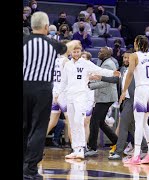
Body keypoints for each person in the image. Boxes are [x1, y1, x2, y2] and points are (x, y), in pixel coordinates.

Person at [23, 11, 68, 179]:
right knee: (38, 130)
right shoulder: (53, 45)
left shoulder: (24, 42)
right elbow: (65, 48)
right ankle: (30, 170)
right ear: (46, 27)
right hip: (42, 91)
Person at [56, 44, 120, 159]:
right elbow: (63, 82)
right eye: (74, 52)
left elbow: (99, 70)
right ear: (70, 52)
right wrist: (57, 93)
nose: (76, 53)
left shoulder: (85, 63)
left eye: (78, 51)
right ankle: (75, 149)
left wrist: (112, 73)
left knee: (79, 121)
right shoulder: (67, 65)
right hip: (69, 96)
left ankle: (81, 148)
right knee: (72, 122)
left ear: (80, 52)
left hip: (81, 96)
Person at [120, 35, 149, 164]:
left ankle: (136, 156)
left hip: (142, 90)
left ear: (137, 43)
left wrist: (124, 91)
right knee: (144, 123)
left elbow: (129, 74)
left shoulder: (134, 56)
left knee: (139, 123)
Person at [107, 49, 149, 160]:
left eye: (128, 57)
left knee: (123, 126)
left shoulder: (136, 70)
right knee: (132, 127)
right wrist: (100, 77)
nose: (126, 59)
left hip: (133, 101)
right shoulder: (122, 69)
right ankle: (145, 147)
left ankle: (118, 151)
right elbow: (114, 79)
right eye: (124, 57)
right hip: (126, 101)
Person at [85, 47, 119, 156]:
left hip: (106, 97)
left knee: (94, 121)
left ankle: (92, 148)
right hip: (105, 97)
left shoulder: (108, 64)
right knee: (100, 122)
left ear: (107, 54)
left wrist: (90, 85)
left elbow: (107, 82)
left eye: (101, 52)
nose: (99, 53)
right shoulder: (105, 62)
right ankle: (117, 141)